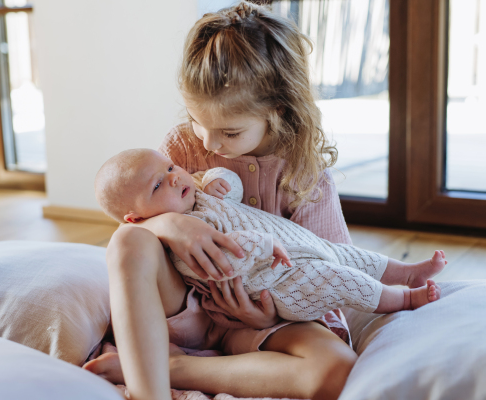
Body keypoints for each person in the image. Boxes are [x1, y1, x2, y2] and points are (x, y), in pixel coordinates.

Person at [85, 2, 386, 399]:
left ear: (277, 111)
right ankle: (150, 391)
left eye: (229, 132)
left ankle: (171, 366)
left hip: (268, 319)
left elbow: (335, 270)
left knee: (336, 370)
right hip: (189, 304)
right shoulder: (183, 145)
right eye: (198, 122)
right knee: (127, 239)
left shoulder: (304, 174)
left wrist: (270, 311)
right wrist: (170, 223)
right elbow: (137, 214)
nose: (209, 143)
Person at [94, 149, 445, 325]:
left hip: (297, 243)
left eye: (170, 167)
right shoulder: (180, 247)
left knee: (351, 255)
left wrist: (220, 181)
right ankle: (401, 300)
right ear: (136, 218)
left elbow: (228, 188)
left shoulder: (194, 191)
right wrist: (262, 245)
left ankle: (405, 272)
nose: (173, 177)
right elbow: (227, 257)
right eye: (158, 185)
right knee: (339, 278)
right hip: (281, 277)